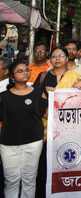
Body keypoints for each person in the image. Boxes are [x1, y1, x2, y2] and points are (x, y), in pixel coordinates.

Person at [0, 61, 47, 198]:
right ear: (12, 77)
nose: (25, 72)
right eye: (20, 71)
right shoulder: (4, 96)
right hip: (8, 144)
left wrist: (55, 95)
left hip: (33, 142)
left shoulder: (38, 93)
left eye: (26, 70)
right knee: (11, 180)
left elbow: (46, 114)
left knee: (29, 179)